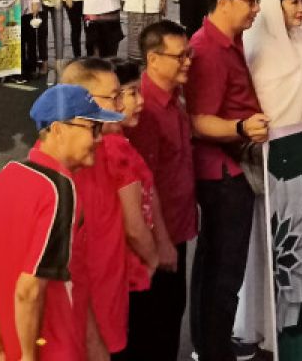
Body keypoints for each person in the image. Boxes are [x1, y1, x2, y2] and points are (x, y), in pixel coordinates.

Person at [0, 84, 122, 361]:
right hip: (52, 349)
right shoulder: (61, 193)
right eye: (92, 128)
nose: (99, 138)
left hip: (5, 349)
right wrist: (28, 356)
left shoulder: (9, 174)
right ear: (58, 129)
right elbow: (29, 290)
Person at [237, 0, 302, 352]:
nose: (301, 10)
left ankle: (297, 321)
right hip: (276, 165)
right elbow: (268, 113)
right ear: (274, 4)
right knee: (274, 249)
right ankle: (268, 329)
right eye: (293, 2)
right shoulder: (261, 52)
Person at [187, 0, 270, 361]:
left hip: (231, 168)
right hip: (223, 173)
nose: (256, 8)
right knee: (223, 270)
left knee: (216, 265)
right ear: (224, 2)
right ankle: (213, 349)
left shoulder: (230, 40)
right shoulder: (207, 49)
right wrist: (241, 127)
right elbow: (200, 120)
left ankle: (211, 344)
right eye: (250, 0)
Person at [125, 21, 198, 361]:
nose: (187, 61)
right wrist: (162, 243)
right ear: (153, 60)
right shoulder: (145, 111)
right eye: (180, 56)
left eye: (189, 53)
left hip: (177, 229)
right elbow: (142, 187)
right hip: (158, 237)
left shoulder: (174, 97)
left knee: (171, 315)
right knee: (154, 325)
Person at [61, 58, 132, 359]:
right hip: (85, 330)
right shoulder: (67, 174)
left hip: (113, 307)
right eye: (113, 96)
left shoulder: (105, 149)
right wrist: (92, 339)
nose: (121, 103)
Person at [104, 60, 163, 361]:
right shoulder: (115, 149)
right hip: (129, 270)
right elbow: (133, 223)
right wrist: (154, 256)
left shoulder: (115, 142)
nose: (140, 102)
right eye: (130, 94)